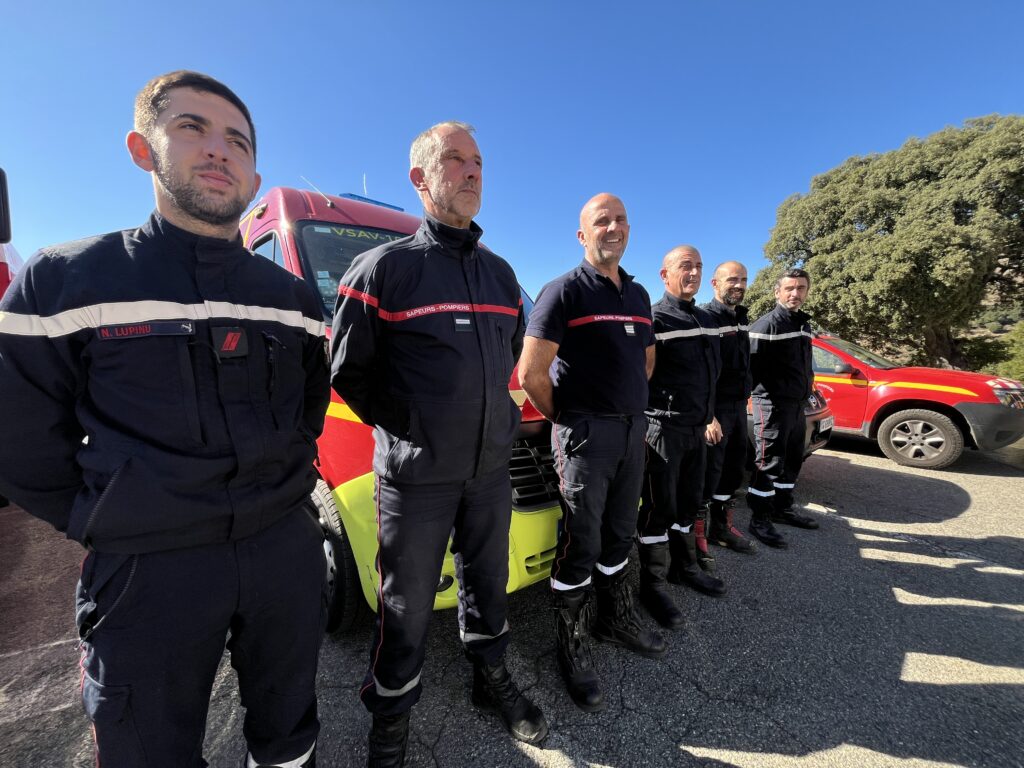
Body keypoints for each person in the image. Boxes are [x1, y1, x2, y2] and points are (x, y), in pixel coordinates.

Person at [0, 71, 330, 768]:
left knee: (290, 729)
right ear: (142, 148)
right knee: (147, 749)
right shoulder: (67, 281)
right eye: (193, 128)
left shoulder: (296, 298)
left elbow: (309, 408)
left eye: (237, 141)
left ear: (255, 170)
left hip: (283, 552)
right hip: (149, 569)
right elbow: (21, 441)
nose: (219, 151)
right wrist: (110, 515)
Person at [330, 121, 547, 766]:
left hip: (488, 471)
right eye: (455, 160)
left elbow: (507, 359)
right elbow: (348, 371)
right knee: (406, 602)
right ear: (420, 179)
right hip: (417, 478)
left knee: (487, 583)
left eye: (478, 160)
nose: (472, 171)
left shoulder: (502, 275)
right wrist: (414, 429)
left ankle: (491, 678)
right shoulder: (381, 271)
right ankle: (390, 721)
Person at [519, 193, 666, 714]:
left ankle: (615, 617)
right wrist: (569, 417)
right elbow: (531, 374)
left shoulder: (640, 293)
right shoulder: (562, 292)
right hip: (585, 435)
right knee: (580, 541)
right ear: (582, 236)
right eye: (601, 220)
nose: (613, 227)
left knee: (621, 531)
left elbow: (645, 363)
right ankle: (572, 644)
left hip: (631, 432)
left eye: (621, 218)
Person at [638, 245, 726, 628]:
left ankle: (684, 567)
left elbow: (711, 377)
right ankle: (652, 585)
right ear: (665, 274)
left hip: (697, 430)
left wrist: (711, 416)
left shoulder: (706, 319)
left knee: (690, 503)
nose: (692, 273)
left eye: (698, 267)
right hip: (663, 430)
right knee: (660, 509)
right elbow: (641, 375)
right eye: (684, 266)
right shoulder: (654, 319)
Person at [746, 267, 821, 547]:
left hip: (797, 404)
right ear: (777, 292)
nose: (795, 293)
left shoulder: (803, 324)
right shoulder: (766, 326)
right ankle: (759, 519)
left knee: (791, 459)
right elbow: (749, 371)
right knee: (768, 462)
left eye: (800, 288)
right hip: (772, 405)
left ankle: (781, 508)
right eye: (789, 288)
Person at [702, 261, 757, 554]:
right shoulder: (706, 319)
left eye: (743, 280)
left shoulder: (741, 318)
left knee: (733, 471)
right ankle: (696, 540)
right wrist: (708, 416)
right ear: (715, 283)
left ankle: (720, 529)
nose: (738, 285)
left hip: (737, 407)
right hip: (715, 410)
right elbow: (703, 373)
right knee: (708, 473)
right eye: (732, 279)